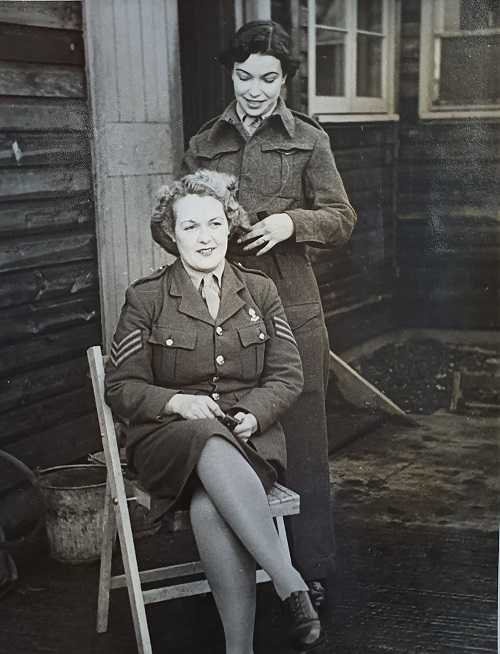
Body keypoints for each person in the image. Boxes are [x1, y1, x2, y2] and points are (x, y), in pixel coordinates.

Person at [151, 20, 357, 609]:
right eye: (244, 76)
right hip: (220, 310)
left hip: (292, 306)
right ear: (232, 74)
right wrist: (199, 237)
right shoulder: (204, 142)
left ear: (286, 79)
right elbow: (179, 219)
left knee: (305, 437)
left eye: (268, 77)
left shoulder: (309, 140)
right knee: (231, 429)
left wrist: (291, 223)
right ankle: (240, 559)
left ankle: (309, 569)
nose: (255, 89)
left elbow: (342, 217)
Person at [105, 169, 323, 652]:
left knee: (210, 509)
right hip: (167, 440)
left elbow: (288, 377)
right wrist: (177, 402)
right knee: (204, 433)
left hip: (248, 442)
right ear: (171, 234)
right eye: (190, 227)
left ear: (230, 225)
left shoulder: (260, 291)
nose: (205, 238)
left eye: (214, 224)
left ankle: (237, 650)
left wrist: (254, 415)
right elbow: (120, 386)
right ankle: (290, 581)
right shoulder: (146, 297)